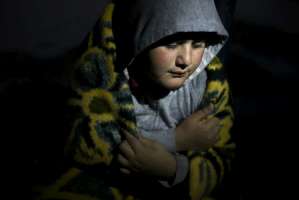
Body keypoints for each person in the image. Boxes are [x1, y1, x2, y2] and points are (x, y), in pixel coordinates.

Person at [32, 0, 235, 200]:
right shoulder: (102, 72)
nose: (186, 60)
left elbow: (221, 159)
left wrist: (173, 170)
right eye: (172, 44)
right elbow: (87, 143)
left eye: (198, 44)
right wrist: (176, 139)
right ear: (141, 33)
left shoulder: (209, 87)